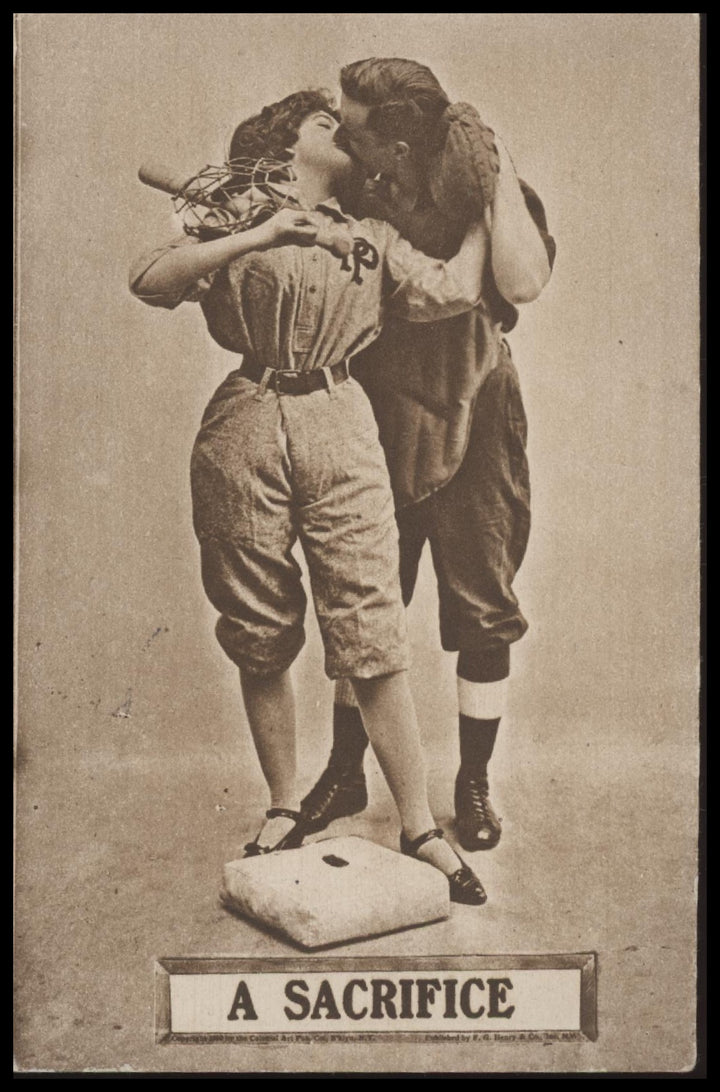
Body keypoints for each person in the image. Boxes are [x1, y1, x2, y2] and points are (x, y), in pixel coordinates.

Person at [129, 89, 497, 903]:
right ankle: (283, 806)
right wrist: (259, 234)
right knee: (257, 623)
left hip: (340, 418)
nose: (343, 130)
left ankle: (419, 827)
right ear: (285, 141)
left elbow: (449, 290)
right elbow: (149, 279)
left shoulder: (371, 233)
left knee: (371, 626)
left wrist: (486, 214)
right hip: (247, 417)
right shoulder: (234, 211)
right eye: (325, 121)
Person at [300, 59, 556, 853]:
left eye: (353, 126)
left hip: (477, 410)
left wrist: (496, 172)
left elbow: (525, 282)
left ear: (401, 145)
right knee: (366, 597)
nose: (341, 136)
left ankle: (473, 783)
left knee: (482, 604)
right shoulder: (357, 188)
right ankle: (346, 770)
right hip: (380, 407)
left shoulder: (476, 186)